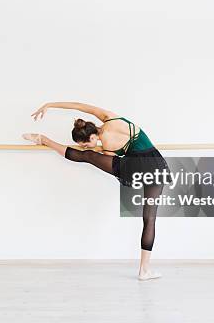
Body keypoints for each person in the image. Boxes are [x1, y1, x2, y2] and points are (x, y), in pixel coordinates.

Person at [22, 102, 169, 281]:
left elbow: (108, 157)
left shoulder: (107, 145)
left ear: (92, 138)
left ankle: (43, 140)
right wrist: (50, 105)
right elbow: (79, 106)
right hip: (157, 165)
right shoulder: (109, 116)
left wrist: (95, 151)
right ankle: (144, 270)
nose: (85, 146)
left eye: (85, 144)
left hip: (136, 167)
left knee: (88, 157)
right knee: (149, 219)